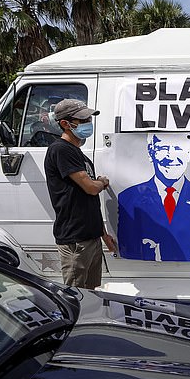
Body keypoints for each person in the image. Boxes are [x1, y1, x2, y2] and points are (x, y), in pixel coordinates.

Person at [118, 133, 190, 262]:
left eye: (178, 148)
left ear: (188, 153)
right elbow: (127, 249)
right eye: (163, 148)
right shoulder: (128, 198)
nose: (171, 157)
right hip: (148, 276)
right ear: (150, 153)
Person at [44, 99, 116, 289]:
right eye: (82, 120)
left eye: (88, 119)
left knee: (91, 296)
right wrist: (101, 182)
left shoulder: (78, 154)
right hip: (75, 240)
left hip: (90, 237)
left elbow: (90, 201)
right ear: (65, 124)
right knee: (76, 297)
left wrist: (103, 234)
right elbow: (91, 188)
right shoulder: (60, 150)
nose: (87, 124)